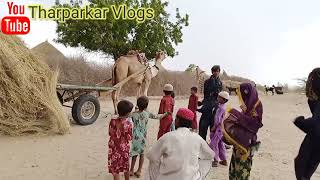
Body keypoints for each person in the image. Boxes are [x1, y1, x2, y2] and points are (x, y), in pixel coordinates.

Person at [145, 108, 214, 180]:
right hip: (191, 178)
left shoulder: (168, 136)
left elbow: (151, 155)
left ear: (177, 120)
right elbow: (210, 155)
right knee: (205, 160)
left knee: (152, 161)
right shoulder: (197, 138)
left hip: (167, 178)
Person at [229, 83, 263, 180]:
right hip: (238, 142)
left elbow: (254, 125)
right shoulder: (247, 106)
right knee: (234, 169)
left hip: (246, 145)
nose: (241, 98)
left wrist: (237, 114)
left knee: (242, 171)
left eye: (242, 95)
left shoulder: (257, 105)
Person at [129, 96, 168, 178]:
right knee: (142, 154)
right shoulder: (147, 113)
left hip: (135, 137)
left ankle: (131, 170)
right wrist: (166, 114)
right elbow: (157, 116)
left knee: (134, 154)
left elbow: (129, 117)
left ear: (137, 105)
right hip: (143, 137)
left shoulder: (134, 114)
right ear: (146, 106)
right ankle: (139, 170)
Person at [294, 68, 320, 180]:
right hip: (315, 140)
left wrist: (300, 121)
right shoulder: (315, 101)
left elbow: (315, 124)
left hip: (315, 139)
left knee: (302, 167)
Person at [108, 100, 134, 180]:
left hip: (113, 149)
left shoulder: (112, 121)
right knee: (126, 167)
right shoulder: (128, 123)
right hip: (124, 149)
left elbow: (110, 133)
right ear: (127, 113)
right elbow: (130, 138)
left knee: (115, 170)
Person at [198, 65, 223, 140]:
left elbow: (219, 95)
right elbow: (206, 94)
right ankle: (202, 143)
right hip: (207, 107)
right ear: (212, 72)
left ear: (219, 72)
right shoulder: (207, 82)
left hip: (215, 108)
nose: (216, 73)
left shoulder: (220, 83)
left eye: (217, 71)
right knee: (203, 128)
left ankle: (213, 145)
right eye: (214, 71)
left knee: (214, 128)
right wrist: (203, 103)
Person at [210, 91, 229, 167]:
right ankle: (224, 160)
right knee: (220, 144)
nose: (217, 98)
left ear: (224, 100)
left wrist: (214, 127)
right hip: (221, 129)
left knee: (214, 144)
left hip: (218, 129)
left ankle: (216, 161)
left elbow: (218, 119)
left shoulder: (221, 108)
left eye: (219, 97)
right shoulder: (223, 106)